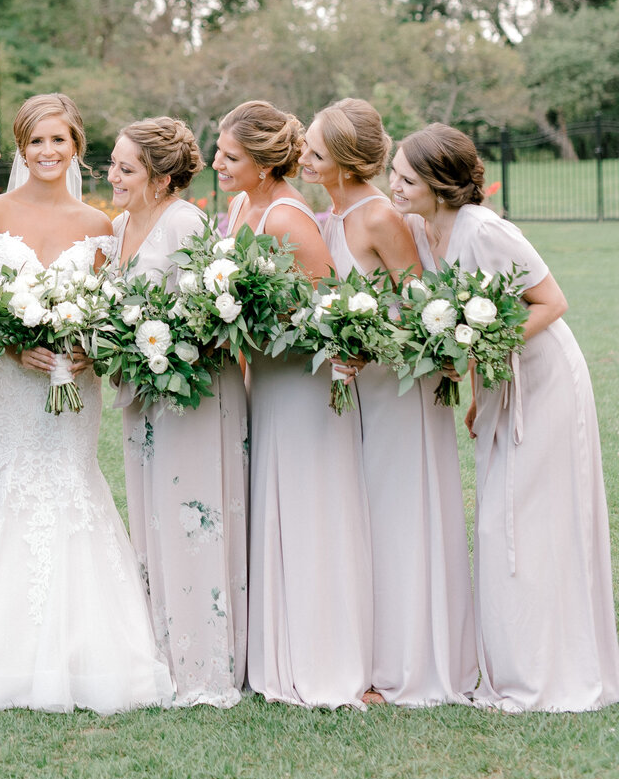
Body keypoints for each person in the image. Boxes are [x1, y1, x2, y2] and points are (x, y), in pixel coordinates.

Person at [0, 94, 173, 712]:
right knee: (5, 486)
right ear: (20, 147)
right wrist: (13, 350)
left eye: (58, 141)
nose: (47, 152)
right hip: (4, 382)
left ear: (76, 146)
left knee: (69, 485)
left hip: (71, 384)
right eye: (35, 141)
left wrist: (87, 349)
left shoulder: (100, 226)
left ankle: (84, 651)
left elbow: (112, 313)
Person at [393, 123, 619, 712]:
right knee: (503, 522)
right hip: (500, 384)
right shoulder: (426, 229)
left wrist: (478, 353)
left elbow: (551, 302)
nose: (394, 185)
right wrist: (478, 389)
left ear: (440, 186)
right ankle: (515, 666)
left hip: (544, 383)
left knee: (520, 523)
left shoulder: (484, 230)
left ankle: (547, 675)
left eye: (405, 177)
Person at [301, 100, 477, 706]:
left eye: (316, 153)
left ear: (348, 164)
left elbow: (424, 310)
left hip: (400, 391)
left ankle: (410, 663)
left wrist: (369, 349)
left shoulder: (379, 218)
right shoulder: (328, 216)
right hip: (358, 394)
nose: (304, 157)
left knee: (401, 518)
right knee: (365, 522)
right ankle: (367, 655)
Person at [219, 99, 375, 709]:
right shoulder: (238, 206)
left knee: (310, 513)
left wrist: (256, 321)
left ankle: (323, 658)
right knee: (272, 508)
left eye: (230, 157)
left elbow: (330, 312)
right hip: (263, 380)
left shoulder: (290, 219)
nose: (217, 163)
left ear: (261, 164)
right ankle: (274, 652)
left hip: (303, 387)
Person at [110, 117, 246, 706]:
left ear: (163, 179)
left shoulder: (185, 222)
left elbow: (212, 319)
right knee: (153, 520)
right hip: (141, 398)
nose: (111, 175)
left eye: (125, 168)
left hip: (192, 397)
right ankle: (161, 651)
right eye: (111, 163)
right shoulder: (117, 227)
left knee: (193, 519)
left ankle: (203, 665)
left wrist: (159, 347)